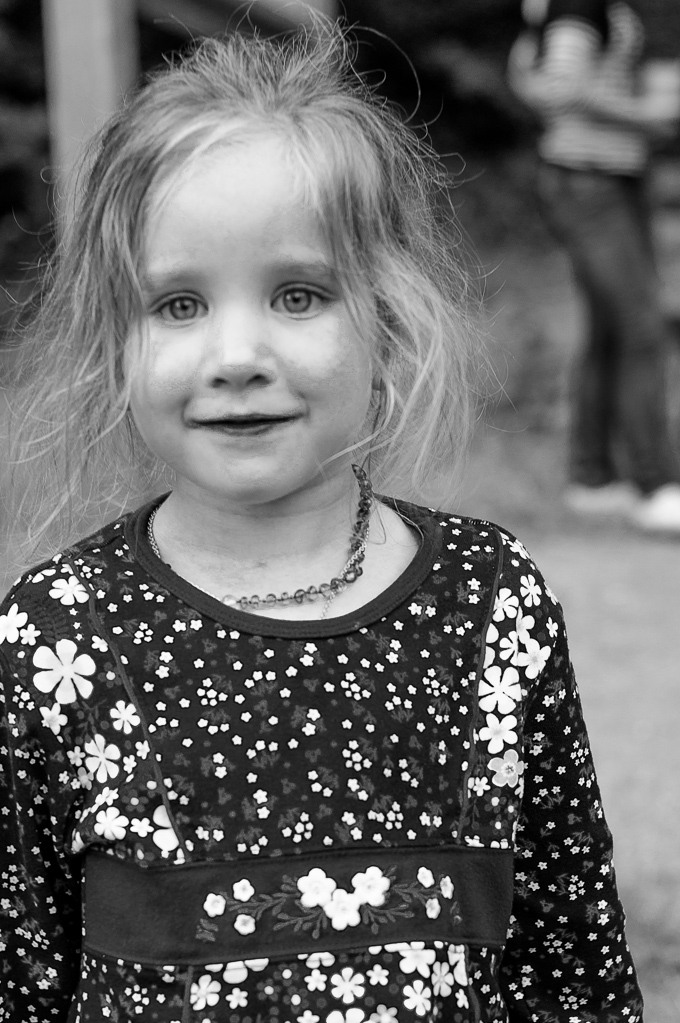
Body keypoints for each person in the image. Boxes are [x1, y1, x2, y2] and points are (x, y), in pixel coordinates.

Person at [0, 24, 643, 1023]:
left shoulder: (489, 606)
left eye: (297, 295)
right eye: (177, 305)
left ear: (388, 319)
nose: (236, 356)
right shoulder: (58, 640)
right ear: (113, 339)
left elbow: (570, 968)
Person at [508, 0, 680, 534]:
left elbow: (539, 77)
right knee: (642, 328)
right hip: (588, 181)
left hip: (610, 178)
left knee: (611, 330)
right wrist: (646, 117)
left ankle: (594, 479)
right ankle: (656, 486)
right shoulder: (579, 4)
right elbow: (556, 87)